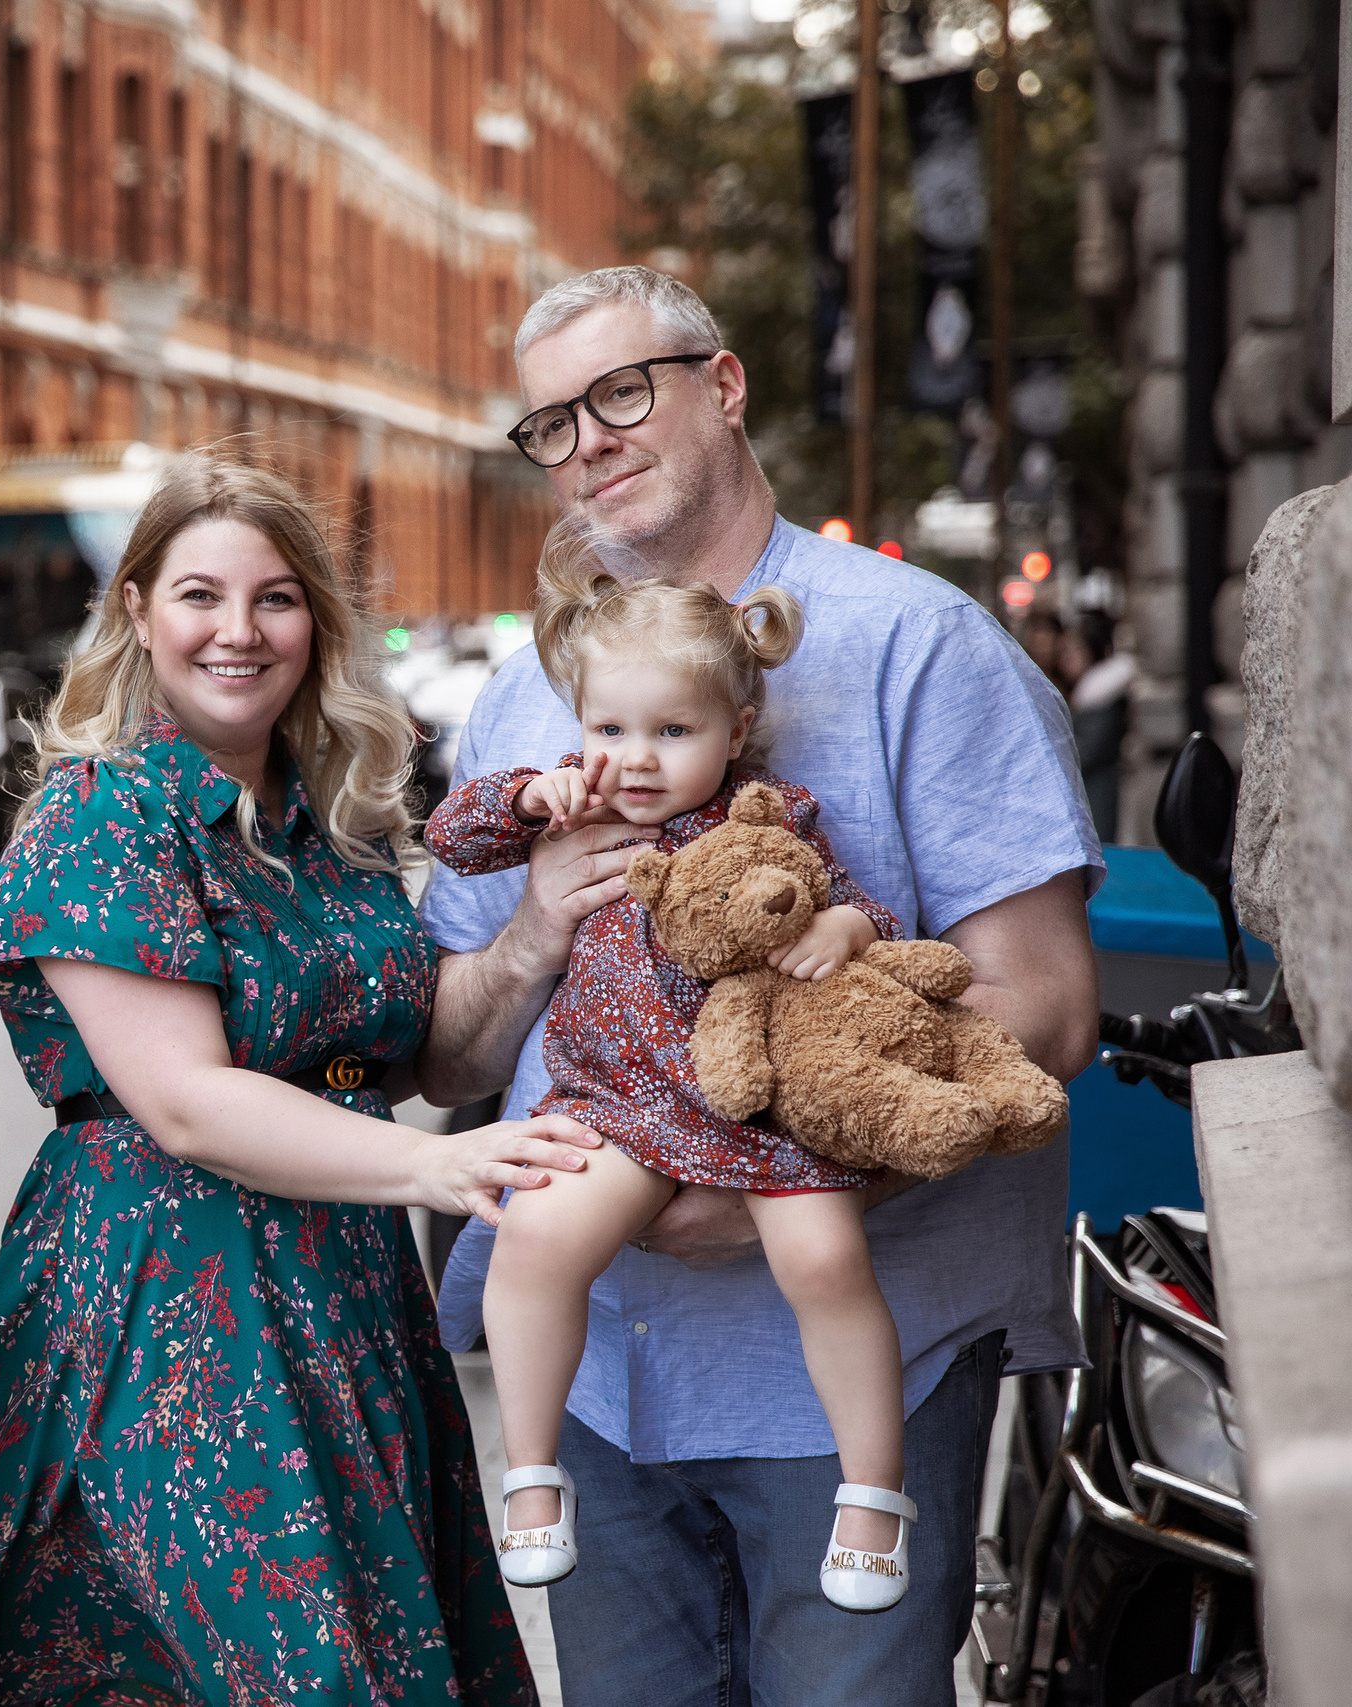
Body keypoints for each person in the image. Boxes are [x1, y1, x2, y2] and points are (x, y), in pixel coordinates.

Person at [419, 267, 1100, 1705]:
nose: (588, 439)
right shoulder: (526, 696)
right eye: (549, 421)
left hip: (861, 1353)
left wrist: (777, 1187)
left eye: (621, 392)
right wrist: (535, 930)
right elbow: (449, 1047)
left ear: (721, 388)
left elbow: (1045, 1004)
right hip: (599, 1375)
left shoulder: (920, 642)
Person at [0, 454, 597, 1707]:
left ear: (316, 627)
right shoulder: (100, 812)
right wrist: (434, 1164)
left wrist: (535, 932)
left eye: (277, 599)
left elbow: (427, 1057)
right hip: (166, 1296)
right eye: (199, 596)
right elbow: (182, 1102)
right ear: (136, 611)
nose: (239, 631)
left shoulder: (325, 818)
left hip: (339, 1295)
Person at [427, 528, 926, 1615]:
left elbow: (852, 904)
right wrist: (527, 798)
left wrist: (843, 925)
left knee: (827, 1258)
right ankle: (528, 1472)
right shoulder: (579, 811)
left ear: (736, 730)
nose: (638, 756)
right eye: (609, 727)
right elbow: (450, 831)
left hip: (754, 1106)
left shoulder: (764, 819)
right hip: (618, 1103)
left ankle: (873, 1489)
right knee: (535, 1237)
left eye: (673, 729)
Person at [1058, 611, 1133, 839]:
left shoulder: (1102, 694)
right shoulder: (1087, 694)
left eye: (1076, 650)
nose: (1067, 658)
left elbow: (1087, 751)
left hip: (1098, 794)